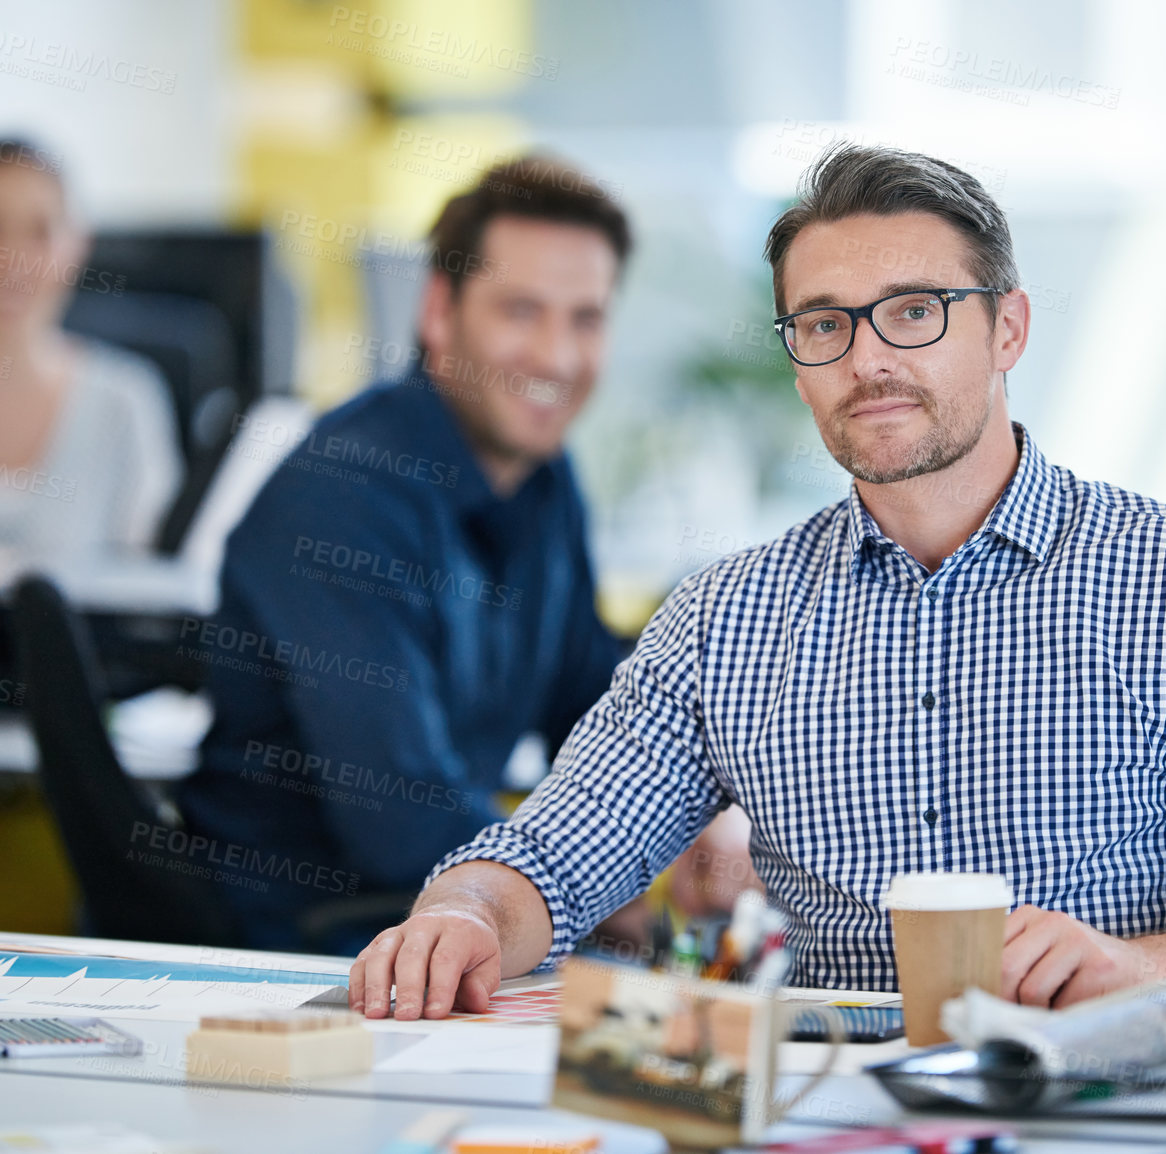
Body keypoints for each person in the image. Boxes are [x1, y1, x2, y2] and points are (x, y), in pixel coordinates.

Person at [351, 144, 1166, 1019]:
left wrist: (1140, 970)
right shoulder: (728, 615)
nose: (869, 357)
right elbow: (552, 854)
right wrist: (466, 914)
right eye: (826, 322)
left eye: (915, 311)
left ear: (1008, 328)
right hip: (826, 1108)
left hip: (1109, 1104)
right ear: (798, 357)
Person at [179, 155, 750, 952]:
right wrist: (611, 906)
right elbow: (400, 817)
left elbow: (593, 711)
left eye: (585, 318)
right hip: (304, 944)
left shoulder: (547, 481)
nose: (556, 356)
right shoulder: (344, 493)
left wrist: (697, 828)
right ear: (439, 313)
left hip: (446, 925)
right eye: (521, 310)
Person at [0, 138, 181, 600]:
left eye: (39, 231)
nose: (12, 260)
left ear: (77, 246)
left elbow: (153, 593)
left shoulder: (124, 401)